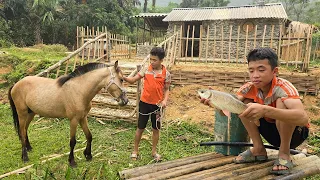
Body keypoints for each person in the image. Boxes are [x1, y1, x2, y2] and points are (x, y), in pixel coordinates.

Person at [201, 47, 309, 175]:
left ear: (275, 71)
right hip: (270, 132)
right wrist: (217, 102)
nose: (255, 75)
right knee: (243, 104)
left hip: (295, 135)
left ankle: (284, 153)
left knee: (282, 103)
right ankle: (258, 148)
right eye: (251, 70)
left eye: (261, 70)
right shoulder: (249, 88)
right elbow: (232, 106)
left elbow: (303, 118)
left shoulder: (283, 87)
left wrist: (265, 110)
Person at [122, 47, 170, 162]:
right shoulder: (146, 69)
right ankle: (135, 150)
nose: (152, 62)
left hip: (157, 106)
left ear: (161, 60)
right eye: (151, 60)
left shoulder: (166, 74)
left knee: (156, 129)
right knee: (140, 128)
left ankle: (154, 151)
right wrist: (124, 77)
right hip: (144, 104)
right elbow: (133, 80)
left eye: (155, 60)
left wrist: (164, 101)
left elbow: (167, 89)